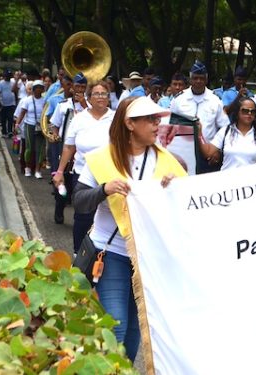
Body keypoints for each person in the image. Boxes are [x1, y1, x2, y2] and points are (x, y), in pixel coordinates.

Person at [72, 95, 185, 362]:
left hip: (147, 260)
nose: (158, 125)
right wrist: (104, 189)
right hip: (110, 253)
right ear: (130, 124)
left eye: (158, 120)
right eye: (150, 120)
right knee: (117, 327)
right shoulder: (101, 158)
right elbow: (79, 202)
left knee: (136, 332)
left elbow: (184, 210)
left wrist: (175, 190)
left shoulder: (169, 162)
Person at [53, 81, 115, 249]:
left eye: (104, 94)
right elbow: (69, 147)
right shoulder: (79, 119)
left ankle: (101, 252)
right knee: (83, 215)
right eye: (96, 94)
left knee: (104, 216)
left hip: (108, 175)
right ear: (89, 98)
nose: (101, 97)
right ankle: (78, 252)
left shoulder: (116, 118)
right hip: (82, 174)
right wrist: (59, 171)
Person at [170, 60, 229, 173]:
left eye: (202, 78)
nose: (198, 81)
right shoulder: (178, 100)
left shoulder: (215, 100)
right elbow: (170, 125)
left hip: (207, 154)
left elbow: (224, 128)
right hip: (183, 153)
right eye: (195, 78)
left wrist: (217, 150)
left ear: (206, 80)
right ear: (190, 79)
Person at [48, 72, 89, 224]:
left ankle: (79, 218)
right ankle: (59, 208)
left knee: (79, 187)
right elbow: (54, 124)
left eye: (83, 87)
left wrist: (84, 105)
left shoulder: (91, 107)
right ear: (72, 87)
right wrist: (55, 134)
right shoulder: (63, 105)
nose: (79, 89)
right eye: (77, 86)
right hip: (66, 150)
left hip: (82, 153)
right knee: (62, 185)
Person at [197, 97, 256, 170]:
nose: (249, 113)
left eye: (252, 111)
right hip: (227, 179)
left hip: (251, 180)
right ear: (237, 112)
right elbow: (208, 152)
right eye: (245, 111)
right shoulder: (225, 131)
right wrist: (199, 134)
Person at [16, 80, 47, 178]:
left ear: (42, 89)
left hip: (41, 126)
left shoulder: (45, 101)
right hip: (29, 125)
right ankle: (28, 168)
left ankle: (38, 170)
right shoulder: (27, 100)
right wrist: (17, 124)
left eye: (40, 87)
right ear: (33, 89)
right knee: (29, 148)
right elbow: (22, 113)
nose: (38, 89)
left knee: (40, 149)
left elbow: (47, 114)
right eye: (36, 87)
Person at [0, 71, 17, 138]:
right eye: (7, 76)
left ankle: (10, 131)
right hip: (3, 104)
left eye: (9, 76)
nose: (8, 77)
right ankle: (4, 132)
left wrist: (16, 101)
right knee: (3, 118)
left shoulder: (12, 82)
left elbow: (15, 91)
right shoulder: (1, 83)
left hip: (11, 103)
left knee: (10, 118)